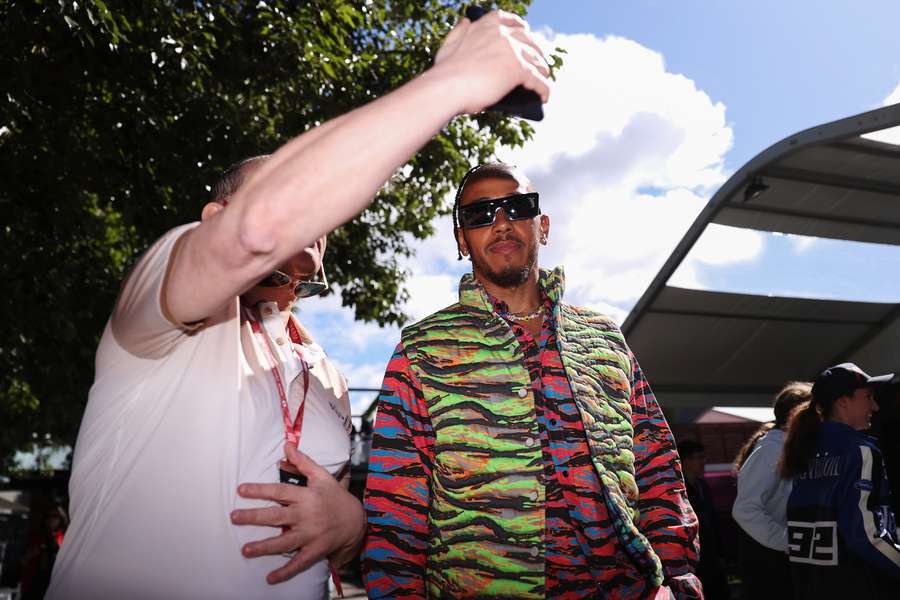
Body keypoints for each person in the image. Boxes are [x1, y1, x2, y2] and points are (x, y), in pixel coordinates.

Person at [46, 11, 552, 599]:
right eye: (286, 192)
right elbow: (258, 231)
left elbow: (348, 527)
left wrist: (351, 526)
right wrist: (450, 82)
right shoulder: (156, 305)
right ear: (213, 219)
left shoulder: (328, 373)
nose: (313, 216)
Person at [362, 163, 701, 599]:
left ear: (542, 226)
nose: (501, 223)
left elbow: (657, 466)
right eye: (480, 214)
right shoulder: (423, 350)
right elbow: (395, 508)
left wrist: (677, 580)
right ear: (462, 241)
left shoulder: (604, 338)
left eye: (516, 207)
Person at [780, 363, 900, 599]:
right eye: (868, 397)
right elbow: (863, 536)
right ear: (843, 401)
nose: (875, 406)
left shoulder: (802, 449)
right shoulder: (860, 451)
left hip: (812, 585)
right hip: (861, 584)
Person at [731, 381, 811, 600]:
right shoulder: (771, 449)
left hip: (778, 557)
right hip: (768, 562)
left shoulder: (786, 447)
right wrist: (788, 541)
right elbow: (745, 509)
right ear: (797, 415)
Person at [680, 440, 729, 600]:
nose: (704, 462)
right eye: (699, 458)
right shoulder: (680, 490)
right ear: (685, 460)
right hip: (694, 559)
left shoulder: (702, 485)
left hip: (712, 556)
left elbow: (713, 520)